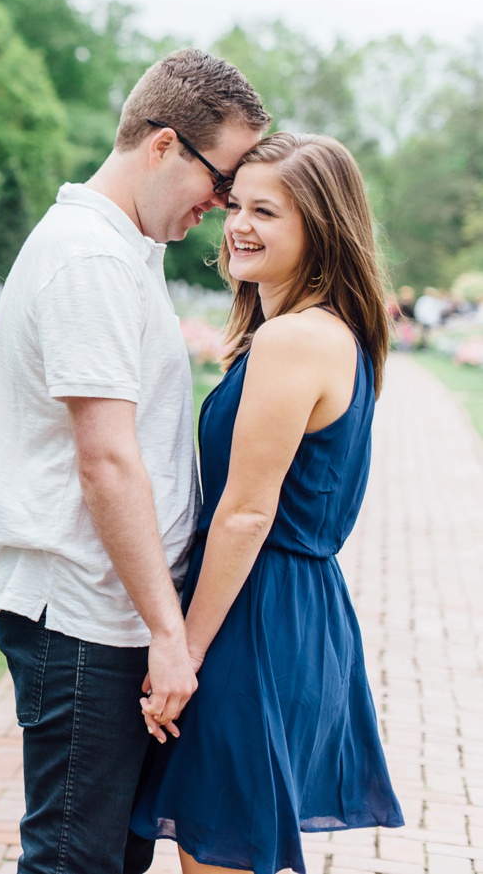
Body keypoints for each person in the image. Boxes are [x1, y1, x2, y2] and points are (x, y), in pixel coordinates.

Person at [0, 49, 269, 874]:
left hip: (113, 614)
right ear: (164, 146)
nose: (221, 207)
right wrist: (168, 634)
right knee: (76, 860)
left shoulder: (125, 246)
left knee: (107, 858)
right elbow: (106, 463)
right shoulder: (92, 258)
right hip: (85, 619)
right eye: (219, 181)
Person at [129, 132, 404, 873]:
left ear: (319, 225)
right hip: (295, 613)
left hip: (255, 620)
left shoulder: (293, 340)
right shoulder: (321, 333)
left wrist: (183, 649)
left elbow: (247, 513)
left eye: (267, 211)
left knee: (218, 854)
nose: (239, 225)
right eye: (236, 206)